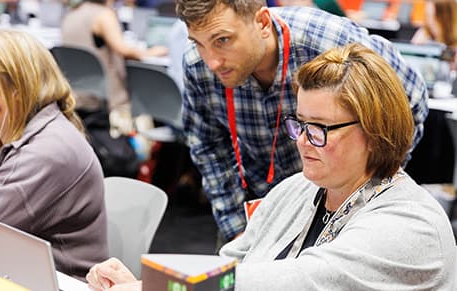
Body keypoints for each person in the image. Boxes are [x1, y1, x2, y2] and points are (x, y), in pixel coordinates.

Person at [86, 43, 456, 291]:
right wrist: (146, 281)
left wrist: (155, 288)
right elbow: (230, 265)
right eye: (301, 124)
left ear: (375, 133)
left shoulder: (413, 227)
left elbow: (300, 281)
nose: (301, 141)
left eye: (320, 130)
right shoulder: (300, 189)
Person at [176, 0, 429, 242]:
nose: (211, 61)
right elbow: (207, 146)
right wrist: (237, 229)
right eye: (198, 43)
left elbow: (412, 98)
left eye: (223, 40)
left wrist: (368, 188)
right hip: (259, 204)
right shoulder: (197, 64)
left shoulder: (327, 41)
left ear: (262, 22)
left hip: (340, 205)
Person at [0, 30, 109, 281]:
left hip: (55, 283)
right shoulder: (6, 132)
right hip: (11, 270)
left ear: (17, 87)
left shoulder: (49, 152)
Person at [61, 0, 168, 136]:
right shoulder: (103, 15)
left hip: (78, 97)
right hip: (109, 103)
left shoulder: (71, 13)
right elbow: (123, 50)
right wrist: (150, 52)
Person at [411, 0, 457, 70]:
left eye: (434, 17)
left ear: (446, 18)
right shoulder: (424, 34)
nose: (430, 22)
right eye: (428, 16)